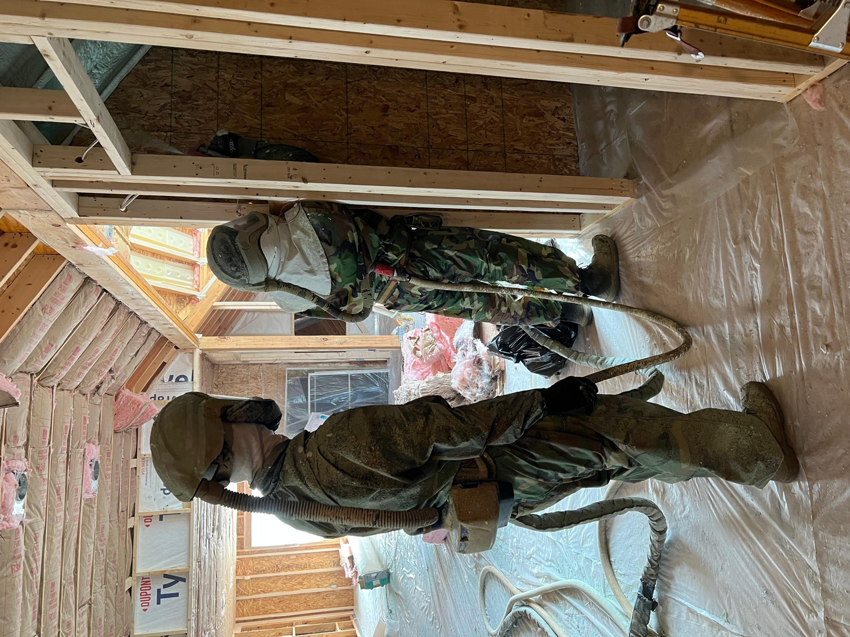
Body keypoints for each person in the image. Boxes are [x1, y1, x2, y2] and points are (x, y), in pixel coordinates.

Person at [150, 378, 799, 539]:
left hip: (491, 496)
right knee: (622, 431)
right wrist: (545, 398)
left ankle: (744, 452)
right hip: (507, 458)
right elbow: (451, 427)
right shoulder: (336, 445)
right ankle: (757, 449)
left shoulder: (291, 508)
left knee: (617, 460)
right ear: (229, 420)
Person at [205, 201, 619, 327]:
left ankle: (563, 312)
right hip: (417, 255)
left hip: (400, 293)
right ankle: (588, 280)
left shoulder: (287, 298)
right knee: (502, 261)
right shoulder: (311, 222)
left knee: (484, 305)